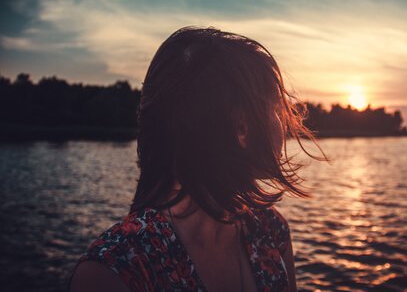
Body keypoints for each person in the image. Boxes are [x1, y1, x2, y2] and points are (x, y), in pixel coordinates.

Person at [68, 27, 326, 292]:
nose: (284, 123)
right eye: (275, 107)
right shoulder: (114, 270)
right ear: (241, 129)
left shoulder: (271, 230)